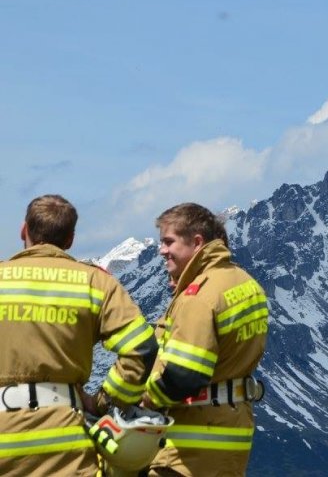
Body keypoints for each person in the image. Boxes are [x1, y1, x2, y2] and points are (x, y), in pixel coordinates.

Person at [0, 195, 157, 477]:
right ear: (70, 239)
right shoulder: (94, 282)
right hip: (63, 442)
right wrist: (105, 401)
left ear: (24, 230)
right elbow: (142, 348)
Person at [144, 203, 269, 477]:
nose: (161, 250)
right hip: (233, 431)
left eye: (168, 242)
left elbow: (185, 374)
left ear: (197, 242)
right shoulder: (247, 284)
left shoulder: (198, 296)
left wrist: (146, 400)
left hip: (190, 447)